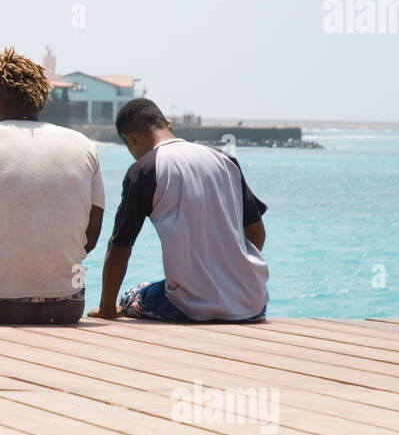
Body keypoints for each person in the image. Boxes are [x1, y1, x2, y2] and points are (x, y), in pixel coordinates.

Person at [0, 48, 104, 324]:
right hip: (69, 303)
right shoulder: (84, 145)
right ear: (39, 100)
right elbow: (91, 237)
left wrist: (6, 274)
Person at [89, 98, 269, 323]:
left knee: (131, 296)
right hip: (253, 301)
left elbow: (120, 246)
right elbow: (256, 232)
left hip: (194, 307)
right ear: (169, 124)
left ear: (131, 139)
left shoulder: (144, 170)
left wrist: (106, 307)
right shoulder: (224, 159)